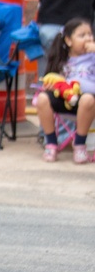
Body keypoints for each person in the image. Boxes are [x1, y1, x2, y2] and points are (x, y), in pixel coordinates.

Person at [35, 17, 95, 163]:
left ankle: (80, 145)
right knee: (42, 98)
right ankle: (51, 143)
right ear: (68, 41)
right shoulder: (60, 59)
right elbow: (51, 79)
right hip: (65, 99)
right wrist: (50, 86)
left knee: (87, 99)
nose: (88, 38)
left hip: (88, 102)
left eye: (90, 34)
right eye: (82, 35)